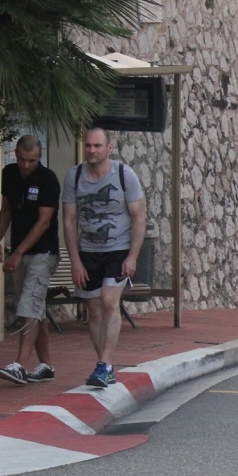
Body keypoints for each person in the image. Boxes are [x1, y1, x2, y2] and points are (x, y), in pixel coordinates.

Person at [62, 128, 145, 388]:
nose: (91, 151)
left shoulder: (124, 175)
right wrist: (75, 261)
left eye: (97, 146)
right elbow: (69, 221)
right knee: (94, 309)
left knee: (109, 302)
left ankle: (106, 364)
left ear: (109, 148)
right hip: (88, 250)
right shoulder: (74, 177)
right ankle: (103, 364)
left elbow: (139, 217)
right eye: (88, 145)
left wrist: (132, 256)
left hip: (117, 247)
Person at [0, 135, 60, 385]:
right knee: (33, 306)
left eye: (31, 161)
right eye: (21, 159)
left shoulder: (48, 180)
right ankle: (46, 365)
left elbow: (44, 222)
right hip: (18, 249)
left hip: (43, 252)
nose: (25, 165)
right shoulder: (9, 173)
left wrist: (18, 252)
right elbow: (6, 209)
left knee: (29, 304)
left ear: (39, 158)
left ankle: (19, 365)